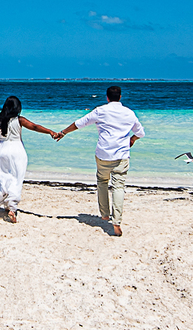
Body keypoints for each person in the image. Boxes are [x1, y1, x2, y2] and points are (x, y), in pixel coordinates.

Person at [54, 85, 144, 236]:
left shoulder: (100, 111)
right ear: (120, 97)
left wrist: (63, 132)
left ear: (107, 97)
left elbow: (79, 123)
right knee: (118, 187)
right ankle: (117, 222)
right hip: (121, 155)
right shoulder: (129, 113)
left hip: (103, 154)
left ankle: (104, 214)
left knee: (102, 181)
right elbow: (140, 132)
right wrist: (132, 140)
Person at [0, 95, 58, 223]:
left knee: (3, 176)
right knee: (16, 179)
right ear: (18, 108)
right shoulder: (20, 120)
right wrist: (50, 131)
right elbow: (34, 127)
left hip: (2, 150)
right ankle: (12, 207)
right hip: (17, 150)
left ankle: (6, 202)